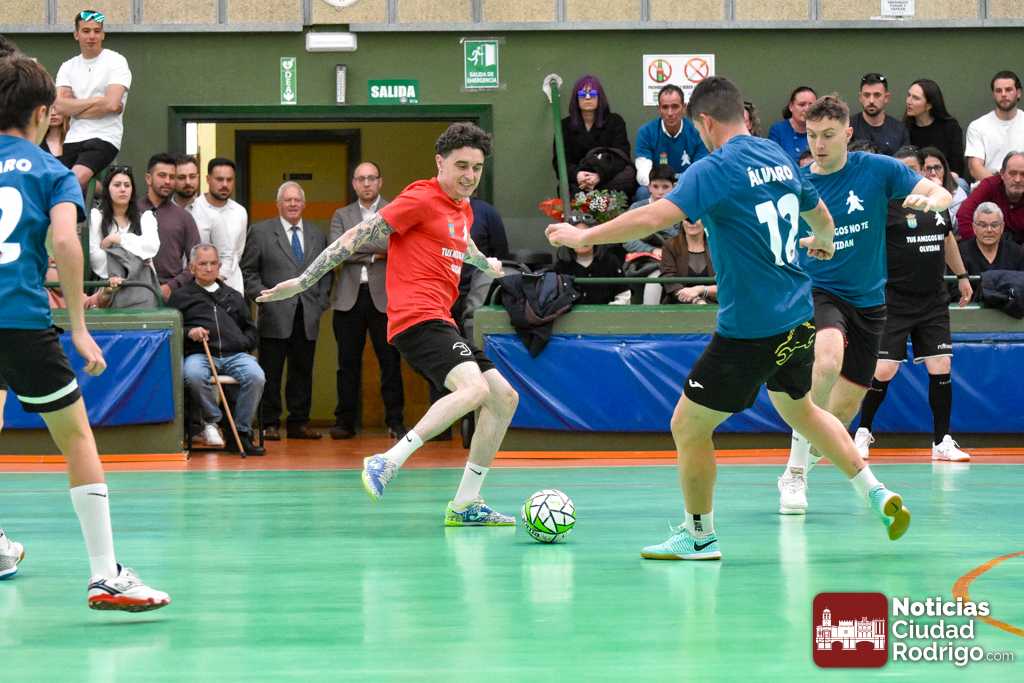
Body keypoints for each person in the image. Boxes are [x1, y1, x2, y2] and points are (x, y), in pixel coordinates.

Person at [546, 76, 911, 560]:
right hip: (798, 315)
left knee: (687, 426)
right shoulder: (778, 155)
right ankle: (875, 492)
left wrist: (582, 236)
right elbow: (820, 212)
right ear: (742, 114)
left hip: (750, 330)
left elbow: (654, 217)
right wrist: (823, 240)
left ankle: (699, 536)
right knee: (802, 411)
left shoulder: (714, 168)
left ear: (704, 122)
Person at [257, 122, 519, 527]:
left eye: (477, 167)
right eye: (461, 166)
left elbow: (461, 242)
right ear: (440, 162)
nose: (470, 175)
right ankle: (388, 460)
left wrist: (486, 264)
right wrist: (304, 280)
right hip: (417, 318)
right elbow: (359, 234)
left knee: (504, 398)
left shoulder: (462, 208)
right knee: (475, 390)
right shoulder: (420, 198)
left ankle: (466, 502)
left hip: (441, 319)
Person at [0, 53, 168, 609]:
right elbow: (66, 244)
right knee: (76, 439)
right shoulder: (54, 173)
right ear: (45, 115)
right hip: (22, 322)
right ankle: (105, 575)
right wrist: (77, 326)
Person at [775, 97, 953, 515]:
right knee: (826, 359)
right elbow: (782, 240)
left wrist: (933, 201)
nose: (819, 144)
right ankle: (795, 472)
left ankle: (803, 463)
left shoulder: (878, 170)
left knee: (843, 410)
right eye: (811, 136)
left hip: (869, 301)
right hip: (820, 290)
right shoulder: (800, 185)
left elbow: (939, 191)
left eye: (828, 135)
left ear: (848, 134)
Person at [855, 147, 973, 463]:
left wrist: (961, 275)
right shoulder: (883, 206)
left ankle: (942, 441)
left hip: (933, 300)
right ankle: (863, 431)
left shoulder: (937, 203)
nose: (905, 175)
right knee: (884, 369)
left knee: (941, 364)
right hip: (894, 300)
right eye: (901, 168)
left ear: (920, 171)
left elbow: (947, 239)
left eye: (911, 168)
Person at [241, 181, 330, 441]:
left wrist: (320, 302)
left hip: (308, 314)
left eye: (296, 200)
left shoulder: (317, 234)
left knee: (302, 371)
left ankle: (299, 423)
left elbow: (327, 272)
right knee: (271, 371)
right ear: (278, 204)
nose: (292, 204)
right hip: (274, 315)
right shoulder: (260, 232)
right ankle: (268, 423)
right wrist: (265, 299)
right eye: (287, 200)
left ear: (304, 204)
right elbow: (248, 272)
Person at [327, 161, 405, 441]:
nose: (367, 183)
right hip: (348, 299)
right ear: (354, 184)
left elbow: (397, 246)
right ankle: (345, 422)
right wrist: (376, 253)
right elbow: (338, 250)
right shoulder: (341, 214)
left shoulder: (395, 210)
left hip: (385, 299)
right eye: (361, 179)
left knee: (390, 362)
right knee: (347, 363)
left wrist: (357, 244)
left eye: (372, 178)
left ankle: (395, 421)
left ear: (380, 182)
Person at [169, 244, 266, 455]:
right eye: (203, 264)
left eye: (213, 263)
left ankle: (241, 432)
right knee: (193, 375)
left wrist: (241, 342)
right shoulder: (181, 296)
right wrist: (189, 332)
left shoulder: (233, 296)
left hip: (235, 354)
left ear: (219, 266)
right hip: (200, 354)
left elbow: (251, 330)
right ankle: (216, 420)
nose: (208, 268)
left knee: (256, 376)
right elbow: (172, 330)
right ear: (192, 268)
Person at [53, 10, 131, 193]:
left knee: (73, 180)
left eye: (97, 31)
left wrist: (75, 108)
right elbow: (60, 106)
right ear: (76, 34)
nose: (92, 36)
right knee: (54, 182)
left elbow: (112, 104)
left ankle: (78, 213)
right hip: (73, 138)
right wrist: (98, 101)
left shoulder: (116, 61)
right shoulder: (68, 66)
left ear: (103, 34)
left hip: (104, 137)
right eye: (86, 31)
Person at [553, 75, 631, 194]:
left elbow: (622, 156)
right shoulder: (565, 126)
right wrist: (577, 175)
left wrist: (599, 174)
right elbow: (560, 161)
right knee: (566, 188)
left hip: (608, 179)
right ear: (576, 98)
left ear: (600, 97)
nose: (588, 97)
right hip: (579, 182)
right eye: (582, 94)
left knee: (626, 180)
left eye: (593, 93)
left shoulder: (615, 122)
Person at [139, 153, 200, 299]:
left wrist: (171, 286)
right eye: (162, 175)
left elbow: (196, 260)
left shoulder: (184, 217)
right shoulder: (131, 211)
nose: (167, 181)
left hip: (173, 294)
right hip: (135, 289)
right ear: (148, 178)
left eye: (172, 177)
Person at [633, 84, 708, 200]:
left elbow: (700, 170)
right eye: (665, 107)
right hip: (659, 187)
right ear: (659, 109)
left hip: (687, 186)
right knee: (642, 192)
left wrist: (676, 186)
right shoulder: (646, 132)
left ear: (684, 108)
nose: (670, 113)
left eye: (675, 107)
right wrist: (663, 187)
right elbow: (643, 174)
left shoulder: (698, 131)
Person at [88, 165, 159, 279]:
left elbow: (151, 247)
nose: (123, 189)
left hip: (140, 284)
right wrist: (134, 258)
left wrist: (117, 239)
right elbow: (95, 256)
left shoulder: (145, 218)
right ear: (108, 189)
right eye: (117, 185)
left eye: (127, 185)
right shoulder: (96, 217)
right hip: (107, 283)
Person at [964, 70, 1024, 181]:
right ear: (993, 94)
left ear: (1018, 93)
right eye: (998, 91)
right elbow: (975, 168)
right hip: (990, 186)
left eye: (1008, 89)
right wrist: (1001, 186)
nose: (1003, 94)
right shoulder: (977, 126)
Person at [957, 203, 1024, 301]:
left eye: (994, 225)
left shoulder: (1017, 252)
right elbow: (954, 292)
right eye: (983, 225)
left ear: (1002, 227)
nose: (989, 230)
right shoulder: (959, 254)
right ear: (974, 228)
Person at [202, 158, 248, 294]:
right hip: (199, 288)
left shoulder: (240, 212)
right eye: (219, 179)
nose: (224, 184)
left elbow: (238, 251)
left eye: (229, 180)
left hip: (233, 287)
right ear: (208, 179)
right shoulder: (194, 209)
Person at [956, 151, 1024, 243]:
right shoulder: (990, 185)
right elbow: (964, 214)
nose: (1017, 179)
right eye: (1012, 173)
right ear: (1002, 174)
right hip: (986, 243)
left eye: (1023, 174)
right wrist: (978, 245)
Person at [905, 79, 965, 178]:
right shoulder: (905, 128)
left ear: (929, 105)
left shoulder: (950, 126)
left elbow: (956, 164)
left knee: (961, 184)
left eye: (916, 98)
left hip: (946, 179)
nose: (908, 101)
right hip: (916, 180)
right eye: (908, 95)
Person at [850, 73, 910, 156]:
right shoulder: (848, 127)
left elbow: (906, 161)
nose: (871, 101)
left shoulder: (900, 130)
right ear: (860, 97)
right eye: (866, 95)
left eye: (877, 95)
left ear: (886, 97)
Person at [659, 218, 716, 305]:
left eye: (696, 218)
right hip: (678, 304)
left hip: (714, 304)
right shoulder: (670, 245)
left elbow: (727, 283)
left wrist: (701, 289)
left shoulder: (716, 245)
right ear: (682, 221)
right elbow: (668, 279)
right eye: (688, 219)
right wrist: (696, 300)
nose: (692, 223)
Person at [920, 147, 968, 234]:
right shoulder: (914, 192)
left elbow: (955, 228)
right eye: (928, 168)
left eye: (937, 167)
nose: (933, 173)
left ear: (945, 170)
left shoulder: (958, 193)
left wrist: (939, 194)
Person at [768, 86, 816, 163]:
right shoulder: (778, 130)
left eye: (811, 105)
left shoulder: (821, 130)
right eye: (802, 105)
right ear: (791, 107)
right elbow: (773, 161)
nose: (807, 109)